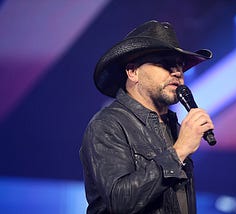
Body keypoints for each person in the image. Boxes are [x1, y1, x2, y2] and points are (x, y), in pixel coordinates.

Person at [80, 20, 214, 214]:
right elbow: (119, 201)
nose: (177, 72)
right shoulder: (107, 124)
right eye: (166, 64)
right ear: (133, 72)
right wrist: (178, 152)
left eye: (180, 66)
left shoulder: (174, 128)